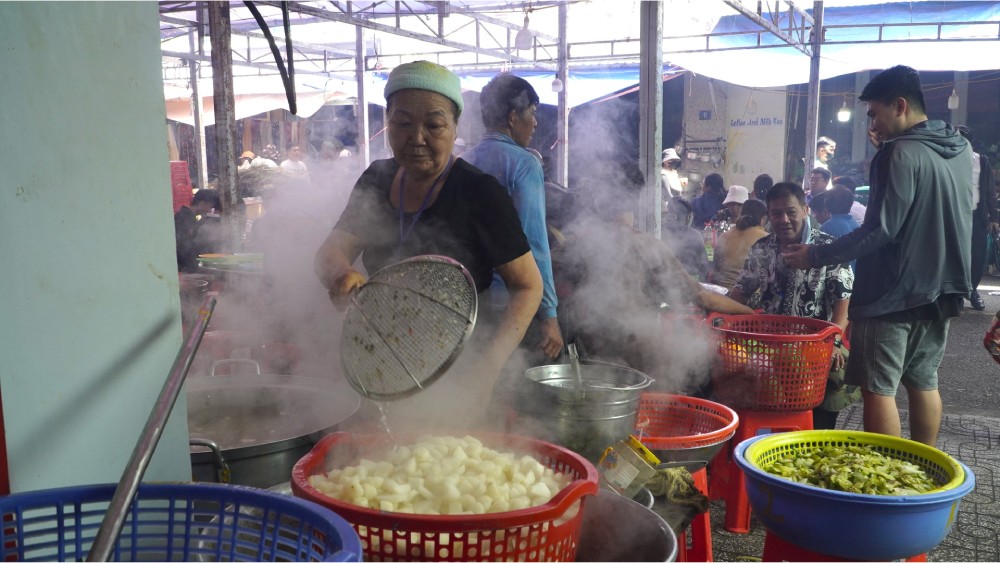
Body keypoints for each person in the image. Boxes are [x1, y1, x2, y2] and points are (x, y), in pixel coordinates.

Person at [313, 61, 543, 423]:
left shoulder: (481, 192)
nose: (416, 138)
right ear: (388, 122)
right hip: (380, 357)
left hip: (460, 368)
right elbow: (330, 252)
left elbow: (528, 287)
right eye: (403, 124)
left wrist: (487, 370)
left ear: (455, 127)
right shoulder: (377, 179)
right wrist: (339, 275)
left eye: (434, 125)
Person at [782, 65, 973, 446]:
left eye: (874, 113)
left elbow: (880, 229)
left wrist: (814, 255)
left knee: (878, 388)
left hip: (893, 291)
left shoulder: (897, 153)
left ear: (899, 105)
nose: (873, 124)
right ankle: (923, 465)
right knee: (923, 381)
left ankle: (888, 474)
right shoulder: (958, 149)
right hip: (942, 287)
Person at [557, 162, 753, 391]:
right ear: (637, 199)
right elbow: (701, 296)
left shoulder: (579, 245)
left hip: (590, 361)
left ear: (600, 199)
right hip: (637, 360)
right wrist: (750, 313)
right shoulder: (648, 247)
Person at [730, 182, 857, 429]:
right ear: (768, 216)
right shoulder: (762, 248)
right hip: (770, 348)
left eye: (791, 212)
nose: (784, 220)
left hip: (817, 348)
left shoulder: (826, 248)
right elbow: (741, 291)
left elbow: (844, 300)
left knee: (823, 409)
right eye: (776, 213)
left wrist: (834, 342)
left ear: (805, 210)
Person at [461, 72, 564, 362]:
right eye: (532, 113)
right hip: (510, 302)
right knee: (511, 377)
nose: (535, 122)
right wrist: (549, 315)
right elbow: (534, 244)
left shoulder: (463, 162)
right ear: (512, 117)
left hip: (468, 298)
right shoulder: (524, 163)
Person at [956, 125, 998, 311]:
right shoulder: (947, 160)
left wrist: (994, 217)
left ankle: (972, 290)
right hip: (955, 217)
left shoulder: (982, 161)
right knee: (955, 255)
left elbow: (989, 191)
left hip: (977, 217)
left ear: (969, 141)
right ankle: (956, 293)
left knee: (977, 256)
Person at [710, 199, 767, 291]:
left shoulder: (724, 236)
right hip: (746, 296)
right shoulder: (766, 238)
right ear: (763, 219)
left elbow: (714, 272)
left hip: (721, 293)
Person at [662, 196, 710, 280]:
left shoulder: (658, 232)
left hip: (663, 282)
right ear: (688, 217)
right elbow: (704, 266)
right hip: (688, 283)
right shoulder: (694, 235)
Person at [174, 188, 220, 273]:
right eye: (209, 207)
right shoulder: (184, 217)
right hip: (183, 268)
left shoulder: (188, 216)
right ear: (202, 203)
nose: (209, 210)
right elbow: (184, 247)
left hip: (186, 267)